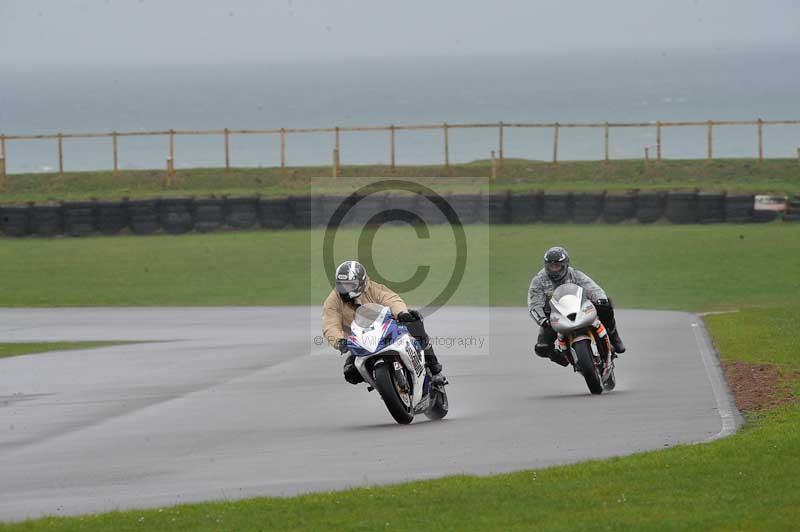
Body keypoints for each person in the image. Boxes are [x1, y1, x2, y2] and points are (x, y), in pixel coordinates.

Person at [322, 260, 446, 384]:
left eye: (349, 285)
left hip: (387, 330)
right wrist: (339, 341)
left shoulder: (373, 289)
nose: (344, 289)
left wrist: (401, 313)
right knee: (351, 373)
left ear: (360, 283)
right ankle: (384, 384)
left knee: (415, 322)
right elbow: (330, 324)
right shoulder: (333, 300)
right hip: (361, 341)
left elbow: (391, 299)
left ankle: (435, 369)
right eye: (341, 285)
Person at [528, 246, 626, 365]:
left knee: (606, 306)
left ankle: (614, 337)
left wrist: (601, 299)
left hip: (579, 308)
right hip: (554, 316)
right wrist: (542, 320)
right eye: (551, 266)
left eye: (557, 266)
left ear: (565, 264)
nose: (554, 269)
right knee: (541, 348)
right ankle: (561, 357)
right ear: (546, 265)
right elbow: (534, 304)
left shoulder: (575, 274)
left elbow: (592, 288)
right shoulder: (538, 280)